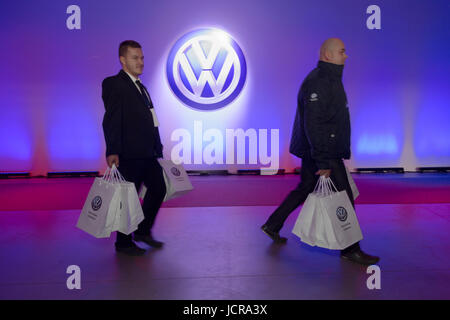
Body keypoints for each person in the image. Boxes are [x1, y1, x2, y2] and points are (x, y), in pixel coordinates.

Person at [261, 38, 379, 265]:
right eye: (342, 52)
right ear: (327, 55)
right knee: (344, 198)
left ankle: (272, 224)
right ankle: (350, 248)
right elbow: (314, 124)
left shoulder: (330, 78)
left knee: (306, 187)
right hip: (325, 151)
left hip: (318, 149)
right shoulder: (319, 81)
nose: (346, 56)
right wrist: (324, 160)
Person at [102, 40, 166, 256]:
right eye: (135, 58)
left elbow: (151, 119)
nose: (140, 62)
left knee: (159, 188)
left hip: (147, 153)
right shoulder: (114, 84)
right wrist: (112, 150)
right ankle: (123, 243)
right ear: (123, 60)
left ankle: (142, 231)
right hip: (129, 153)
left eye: (142, 57)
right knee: (127, 200)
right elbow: (111, 120)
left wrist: (157, 145)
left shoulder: (141, 87)